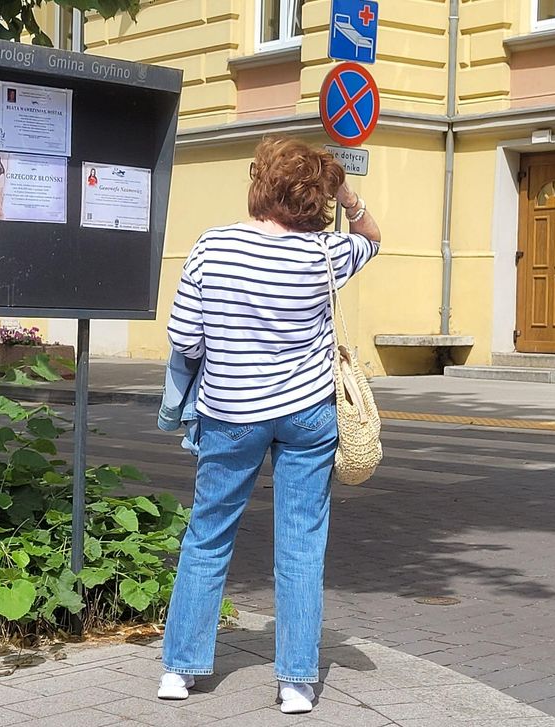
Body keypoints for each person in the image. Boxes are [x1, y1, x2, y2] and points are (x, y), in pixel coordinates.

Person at [158, 135, 381, 714]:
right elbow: (373, 238)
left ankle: (181, 671)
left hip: (231, 413)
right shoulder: (325, 254)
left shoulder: (212, 248)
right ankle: (297, 682)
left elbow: (184, 338)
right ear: (316, 199)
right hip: (308, 414)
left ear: (260, 185)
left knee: (208, 535)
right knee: (303, 543)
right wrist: (349, 196)